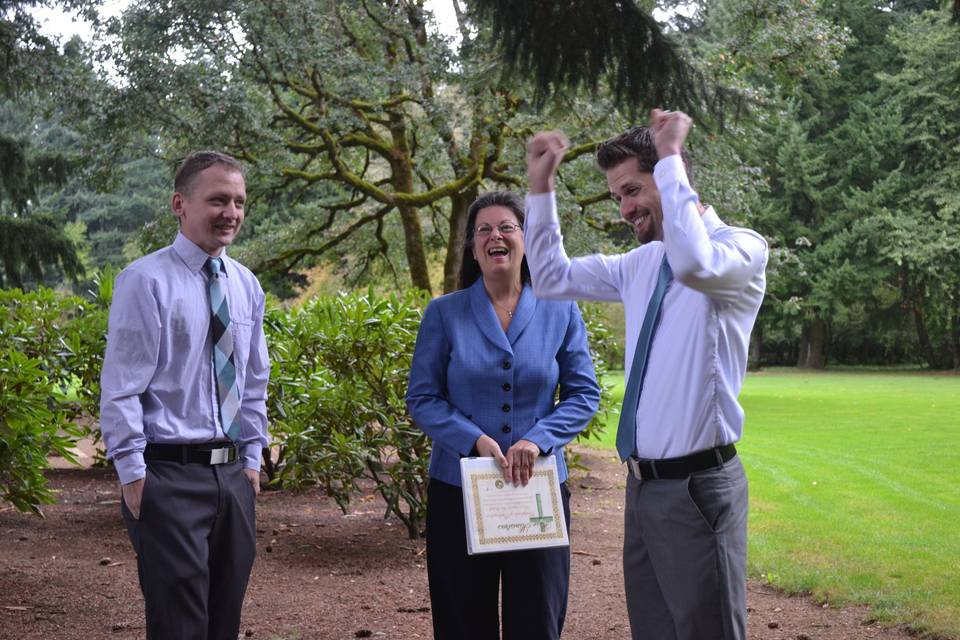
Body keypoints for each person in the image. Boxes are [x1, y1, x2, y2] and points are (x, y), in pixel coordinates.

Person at [524, 110, 768, 640]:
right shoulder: (640, 265)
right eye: (617, 197)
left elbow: (695, 266)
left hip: (698, 490)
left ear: (670, 177)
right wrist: (541, 188)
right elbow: (548, 277)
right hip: (642, 489)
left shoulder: (740, 250)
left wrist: (673, 154)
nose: (625, 209)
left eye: (632, 190)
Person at [406, 191, 601, 640]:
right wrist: (472, 439)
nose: (495, 236)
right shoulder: (444, 313)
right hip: (458, 490)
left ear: (527, 240)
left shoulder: (561, 308)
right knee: (462, 623)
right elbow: (422, 397)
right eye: (483, 230)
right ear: (473, 247)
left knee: (537, 620)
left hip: (538, 493)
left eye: (506, 227)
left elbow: (583, 393)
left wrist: (538, 439)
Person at [100, 150, 270, 640]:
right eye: (218, 199)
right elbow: (121, 386)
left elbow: (254, 380)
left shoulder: (246, 285)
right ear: (180, 203)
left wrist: (253, 461)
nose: (231, 213)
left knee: (224, 624)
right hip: (168, 478)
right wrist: (134, 474)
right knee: (179, 627)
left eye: (238, 202)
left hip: (234, 479)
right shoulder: (145, 281)